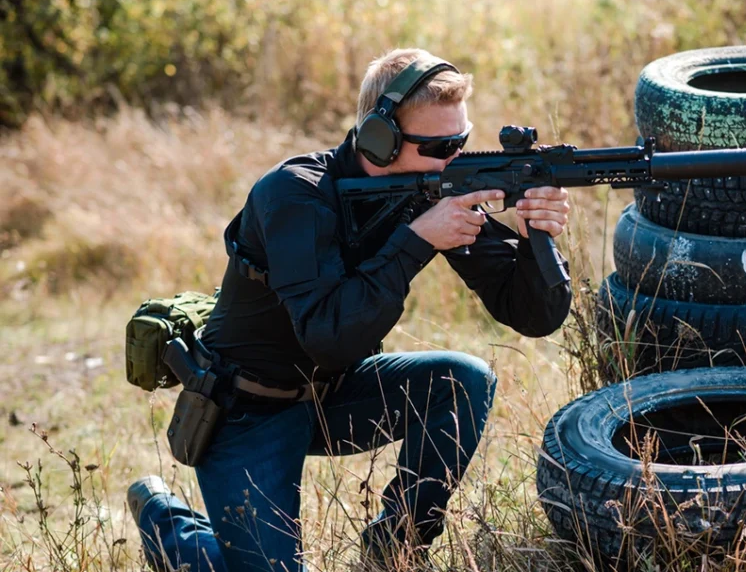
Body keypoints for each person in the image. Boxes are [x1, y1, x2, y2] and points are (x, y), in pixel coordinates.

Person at [126, 48, 572, 571]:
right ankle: (167, 525)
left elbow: (535, 316)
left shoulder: (425, 188)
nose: (455, 159)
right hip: (247, 410)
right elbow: (328, 335)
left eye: (461, 141)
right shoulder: (294, 195)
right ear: (379, 140)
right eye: (439, 146)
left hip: (334, 396)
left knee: (464, 380)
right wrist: (416, 240)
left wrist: (538, 233)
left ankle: (395, 550)